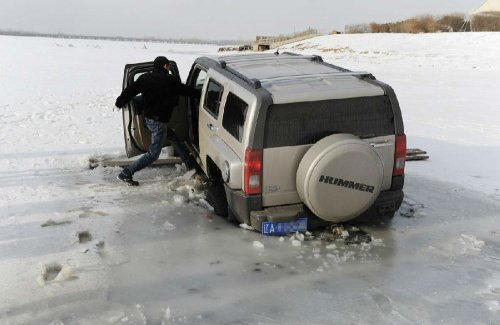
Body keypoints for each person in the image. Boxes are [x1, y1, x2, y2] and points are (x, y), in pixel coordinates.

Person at [115, 56, 198, 185]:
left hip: (149, 119)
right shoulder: (170, 80)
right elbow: (185, 90)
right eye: (168, 66)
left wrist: (119, 103)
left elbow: (130, 91)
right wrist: (200, 93)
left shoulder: (144, 78)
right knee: (153, 154)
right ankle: (126, 173)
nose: (169, 68)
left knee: (172, 136)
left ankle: (189, 162)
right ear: (165, 66)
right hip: (159, 123)